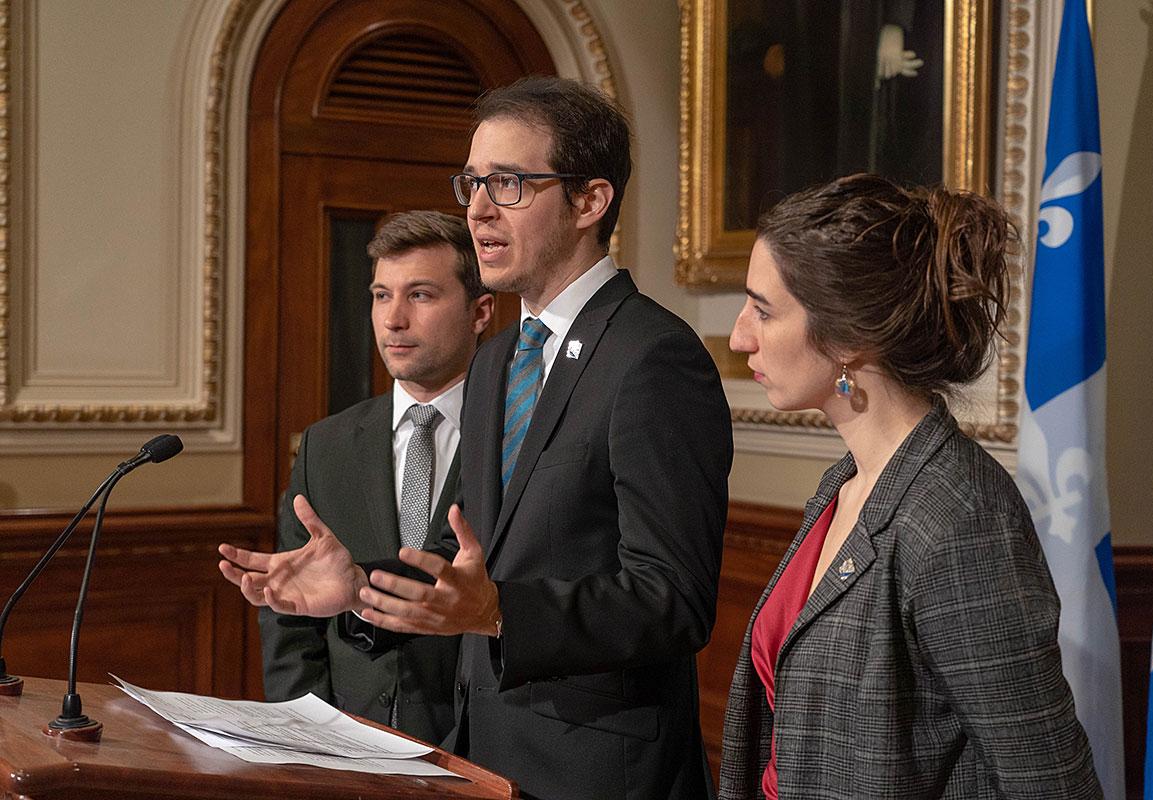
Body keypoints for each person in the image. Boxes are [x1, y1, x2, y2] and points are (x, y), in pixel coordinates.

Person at [219, 76, 733, 800]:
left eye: (511, 184)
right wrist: (362, 588)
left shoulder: (653, 357)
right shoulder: (498, 359)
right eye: (473, 184)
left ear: (590, 201)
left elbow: (672, 598)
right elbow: (475, 557)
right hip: (485, 756)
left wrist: (500, 612)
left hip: (595, 772)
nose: (479, 210)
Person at [719, 174, 1102, 799]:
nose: (740, 337)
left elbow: (1050, 782)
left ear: (847, 337)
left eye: (763, 310)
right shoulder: (847, 480)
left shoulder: (961, 514)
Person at [258, 210, 494, 743]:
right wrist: (313, 739)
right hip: (348, 745)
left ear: (480, 311)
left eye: (421, 295)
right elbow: (290, 620)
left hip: (479, 750)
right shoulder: (326, 445)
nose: (393, 320)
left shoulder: (513, 436)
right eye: (381, 295)